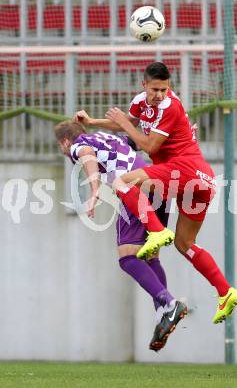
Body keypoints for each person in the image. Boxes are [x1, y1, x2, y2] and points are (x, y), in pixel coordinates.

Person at [75, 61, 237, 330]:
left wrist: (124, 124)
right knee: (185, 244)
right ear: (144, 85)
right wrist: (94, 122)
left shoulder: (170, 106)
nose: (159, 95)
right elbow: (128, 122)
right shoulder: (142, 102)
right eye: (155, 89)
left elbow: (148, 143)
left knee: (121, 182)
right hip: (200, 180)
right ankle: (225, 292)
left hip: (185, 169)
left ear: (169, 87)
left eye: (164, 89)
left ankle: (156, 231)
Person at [54, 119, 188, 352]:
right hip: (159, 189)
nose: (63, 150)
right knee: (150, 255)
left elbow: (85, 154)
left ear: (65, 141)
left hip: (136, 191)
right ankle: (162, 314)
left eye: (61, 145)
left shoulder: (79, 144)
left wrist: (94, 190)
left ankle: (170, 304)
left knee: (127, 257)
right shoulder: (110, 138)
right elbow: (143, 143)